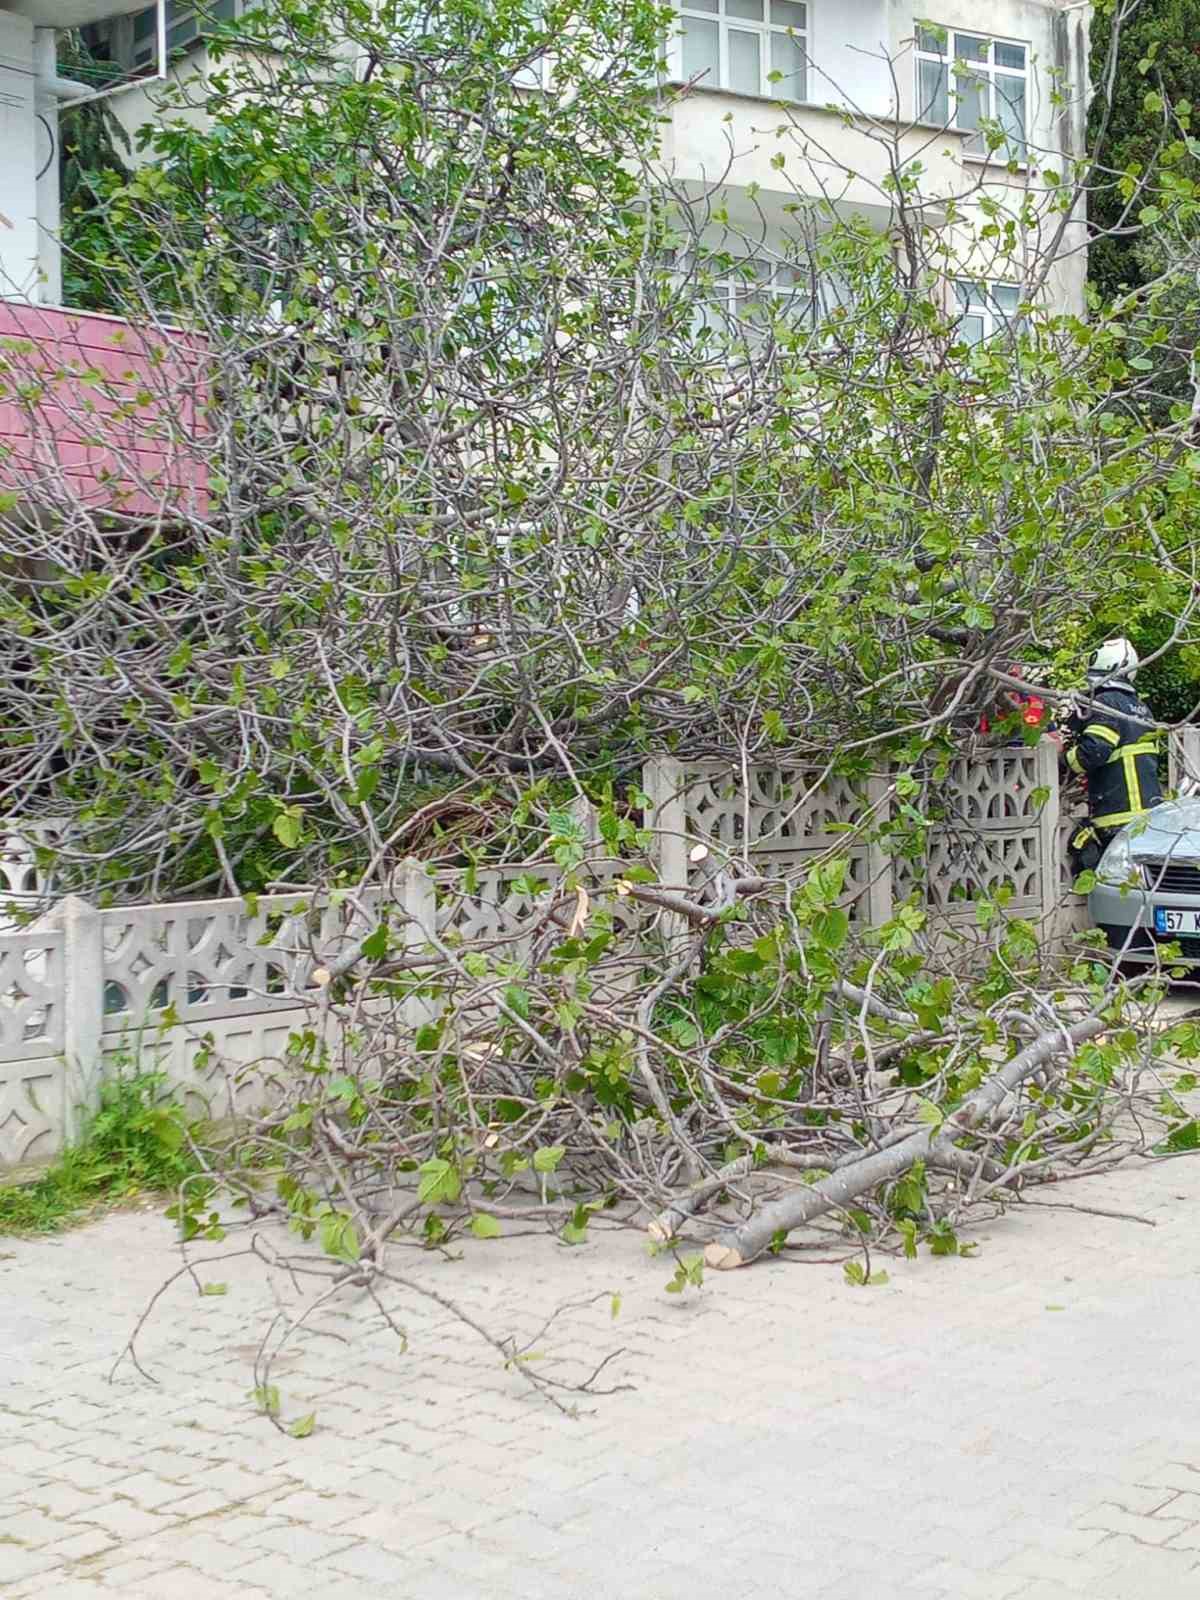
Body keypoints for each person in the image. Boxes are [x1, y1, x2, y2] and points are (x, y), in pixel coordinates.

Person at [1064, 638, 1162, 878]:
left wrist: (1063, 758)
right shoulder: (1139, 707)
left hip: (1116, 814)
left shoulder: (1105, 703)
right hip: (1146, 815)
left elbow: (1093, 752)